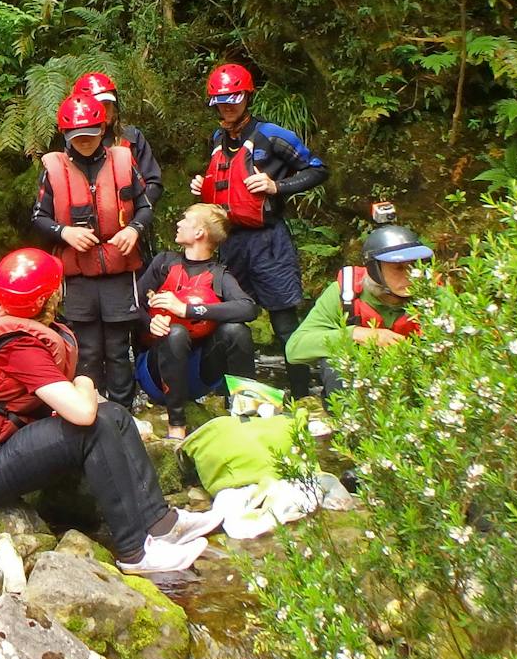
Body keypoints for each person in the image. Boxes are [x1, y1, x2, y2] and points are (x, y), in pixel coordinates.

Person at [0, 247, 224, 574]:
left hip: (2, 447)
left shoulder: (18, 320)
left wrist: (126, 421)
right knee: (94, 427)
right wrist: (84, 381)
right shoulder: (16, 345)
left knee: (116, 416)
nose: (61, 289)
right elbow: (82, 413)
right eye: (56, 285)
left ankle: (162, 522)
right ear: (46, 298)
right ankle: (134, 552)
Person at [189, 63, 328, 398]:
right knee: (230, 321)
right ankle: (238, 396)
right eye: (220, 102)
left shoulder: (273, 136)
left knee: (283, 323)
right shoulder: (216, 139)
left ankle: (300, 394)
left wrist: (276, 186)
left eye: (232, 101)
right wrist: (201, 185)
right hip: (230, 240)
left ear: (247, 98)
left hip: (268, 241)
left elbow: (318, 170)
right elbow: (219, 181)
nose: (226, 107)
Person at [32, 93, 152, 406]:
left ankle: (123, 409)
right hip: (77, 274)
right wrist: (64, 232)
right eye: (76, 137)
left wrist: (133, 229)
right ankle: (90, 409)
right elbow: (39, 218)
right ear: (65, 136)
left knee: (116, 345)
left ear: (102, 129)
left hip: (118, 269)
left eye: (89, 135)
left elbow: (144, 206)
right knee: (85, 347)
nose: (83, 142)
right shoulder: (53, 168)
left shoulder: (123, 160)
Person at [135, 203, 259, 442]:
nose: (178, 223)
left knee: (237, 331)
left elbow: (248, 307)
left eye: (185, 219)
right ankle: (176, 427)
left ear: (200, 232)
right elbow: (130, 303)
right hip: (156, 374)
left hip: (198, 376)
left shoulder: (219, 275)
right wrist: (148, 321)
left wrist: (187, 309)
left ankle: (246, 414)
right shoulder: (164, 262)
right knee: (176, 332)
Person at [285, 222, 433, 397]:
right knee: (334, 362)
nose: (410, 275)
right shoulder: (345, 293)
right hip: (360, 387)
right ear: (374, 269)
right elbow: (295, 349)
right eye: (398, 268)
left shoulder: (433, 296)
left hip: (415, 385)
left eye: (414, 265)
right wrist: (357, 334)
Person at [71, 72, 164, 211]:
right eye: (98, 104)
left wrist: (136, 218)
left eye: (107, 104)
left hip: (130, 223)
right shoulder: (76, 141)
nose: (104, 110)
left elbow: (153, 182)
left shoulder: (131, 137)